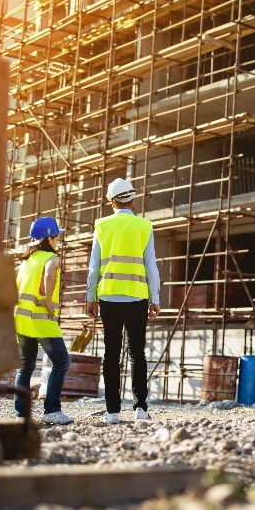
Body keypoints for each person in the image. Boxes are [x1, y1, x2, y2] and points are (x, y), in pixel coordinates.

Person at [86, 178, 161, 424]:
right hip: (137, 297)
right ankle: (140, 408)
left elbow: (94, 265)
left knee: (111, 353)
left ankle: (112, 412)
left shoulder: (102, 226)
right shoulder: (144, 226)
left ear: (111, 201)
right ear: (133, 199)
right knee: (137, 353)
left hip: (108, 296)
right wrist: (155, 297)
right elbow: (151, 266)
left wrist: (90, 296)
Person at [14, 216, 73, 425]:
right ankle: (52, 411)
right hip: (42, 320)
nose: (58, 240)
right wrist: (48, 301)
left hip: (22, 321)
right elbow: (49, 275)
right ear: (50, 237)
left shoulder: (26, 260)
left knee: (25, 367)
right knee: (62, 362)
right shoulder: (52, 258)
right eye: (56, 236)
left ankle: (21, 415)